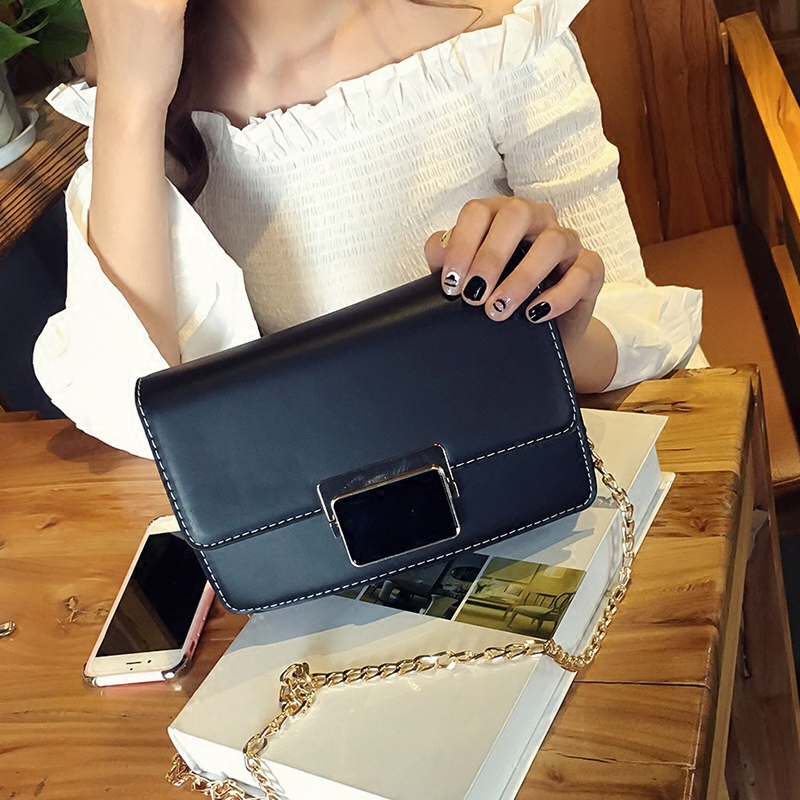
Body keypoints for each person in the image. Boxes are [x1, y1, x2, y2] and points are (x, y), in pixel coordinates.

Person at [34, 0, 702, 459]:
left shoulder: (495, 40)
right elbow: (132, 412)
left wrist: (558, 338)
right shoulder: (144, 93)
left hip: (529, 473)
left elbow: (648, 332)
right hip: (323, 536)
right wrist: (130, 98)